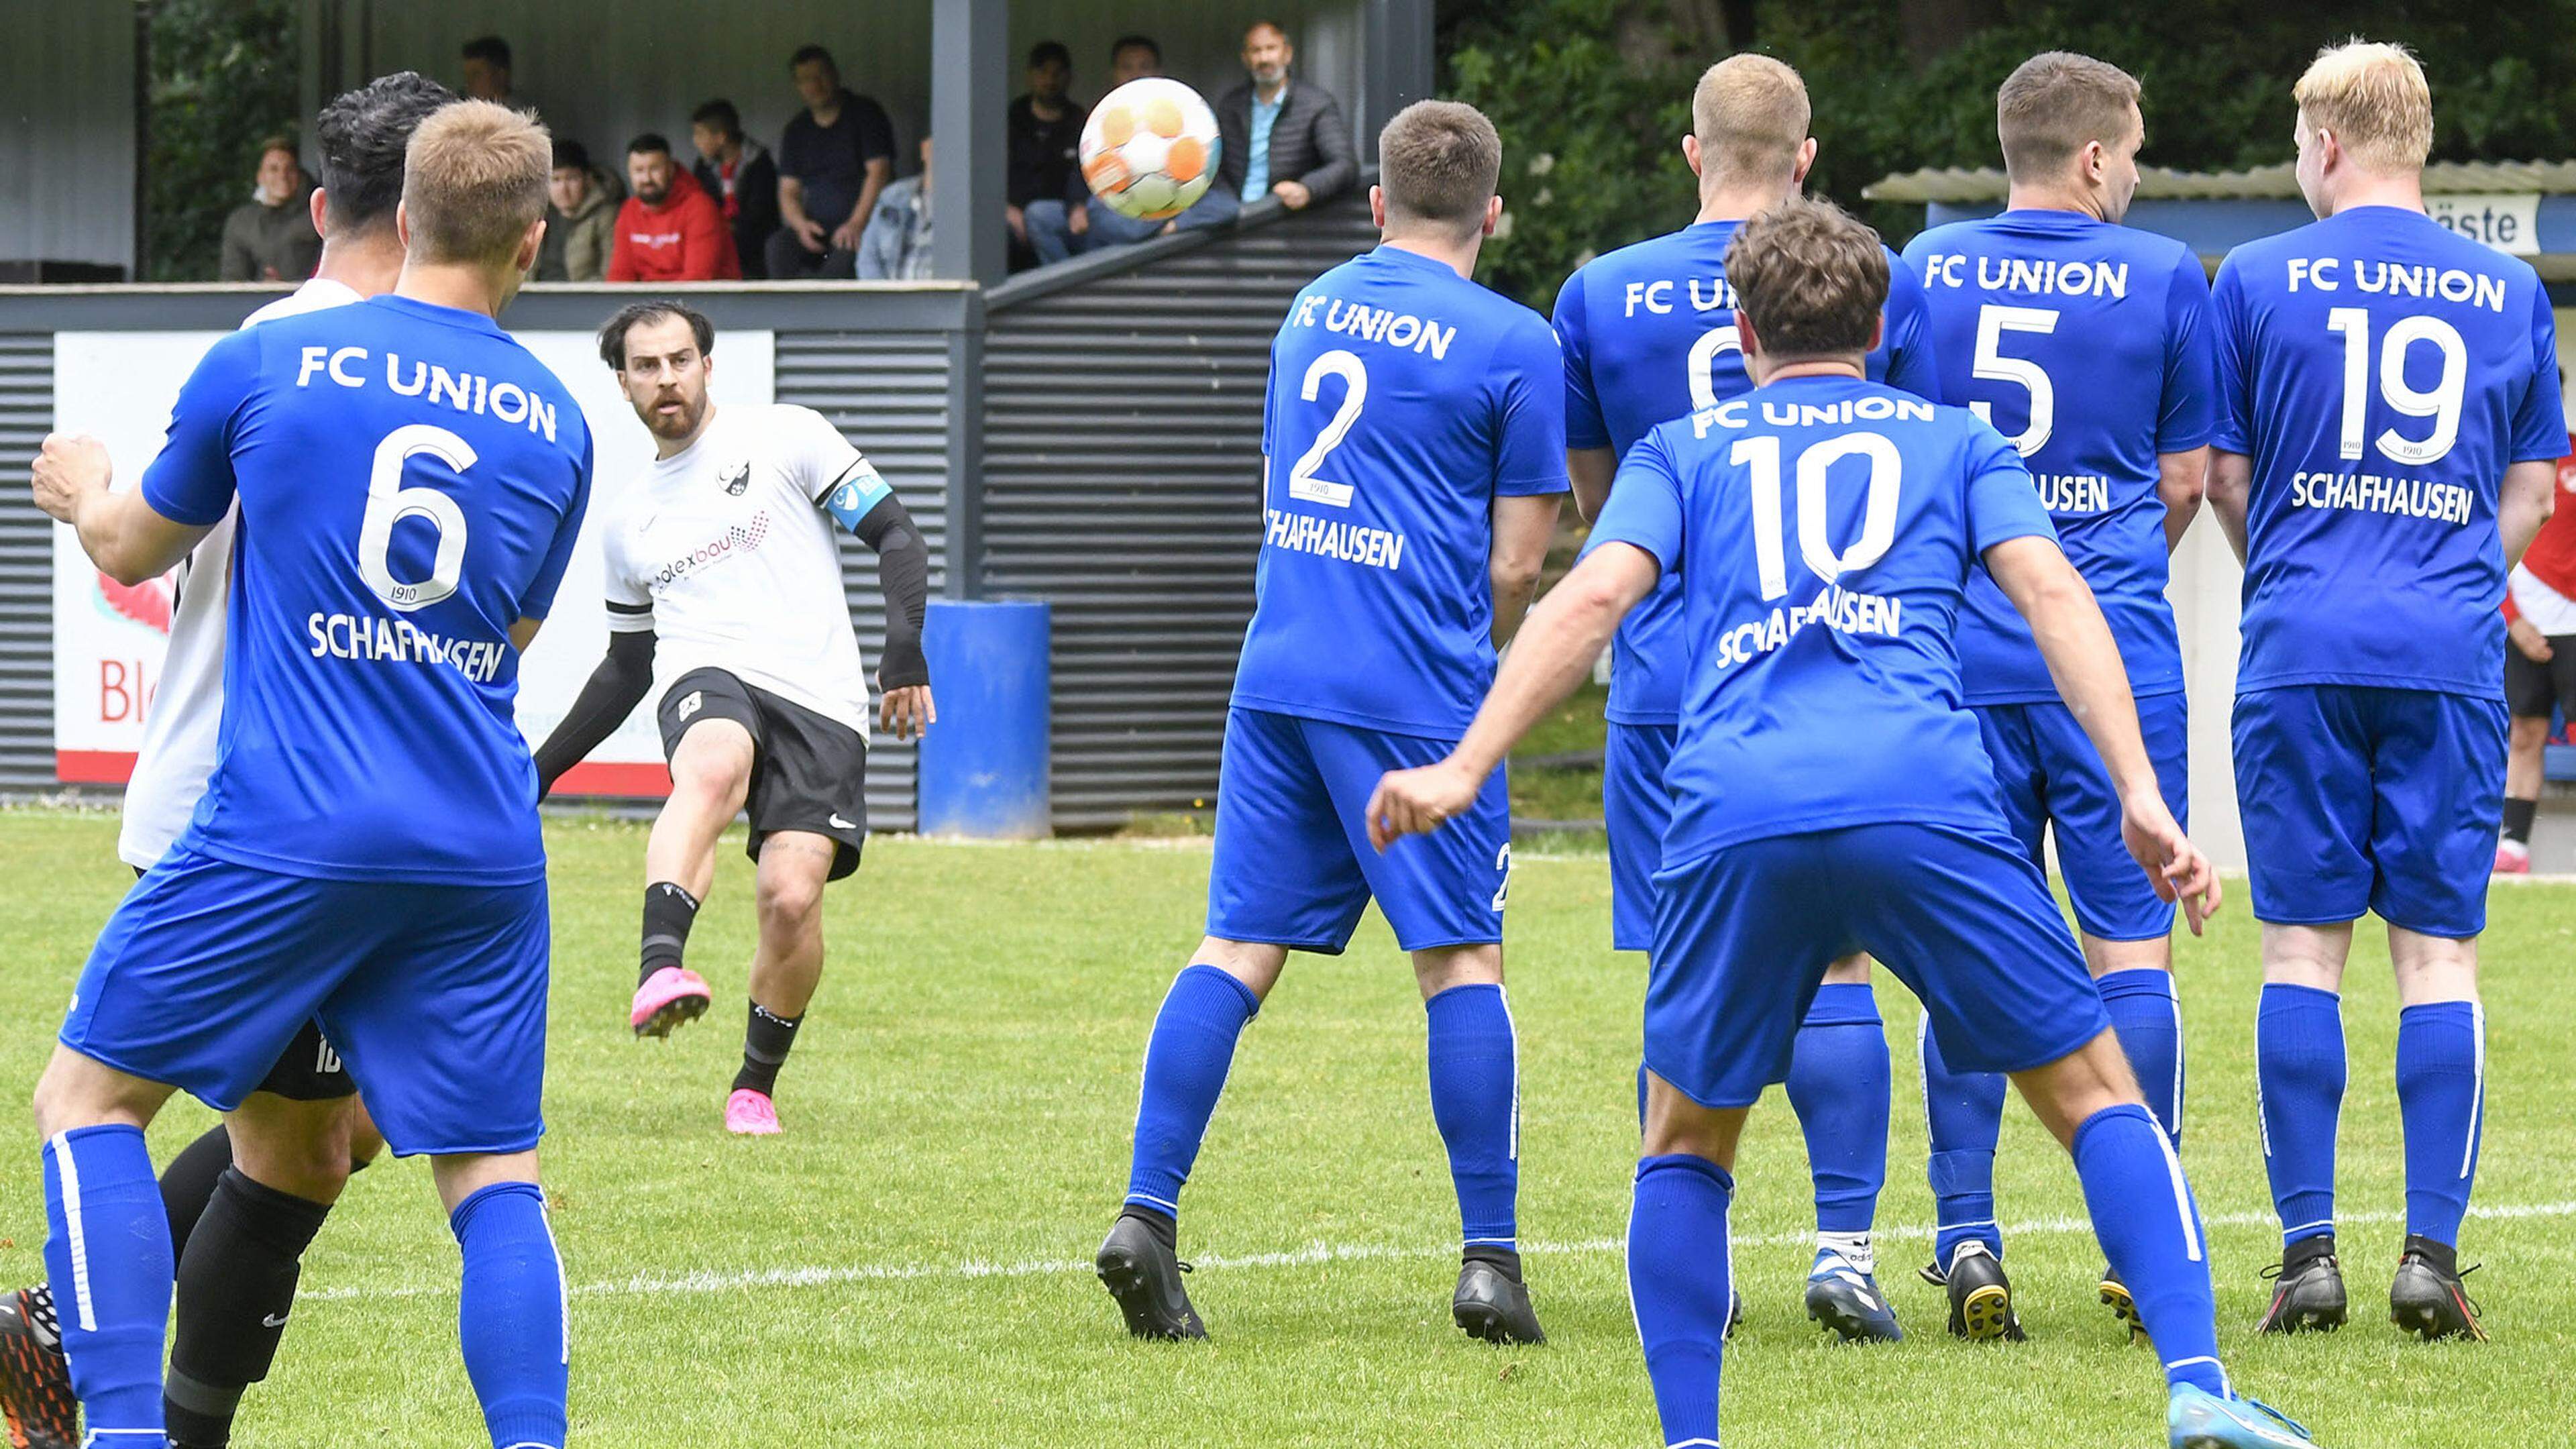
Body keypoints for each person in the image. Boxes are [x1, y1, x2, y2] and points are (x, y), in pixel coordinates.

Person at [1370, 193, 2320, 1449]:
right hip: (1923, 793)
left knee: (1686, 1139)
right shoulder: (1957, 441)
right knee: (2098, 1096)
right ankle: (2198, 1387)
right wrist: (2140, 790)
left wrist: (1463, 761)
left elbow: (1588, 595)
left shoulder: (1684, 452)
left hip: (1734, 808)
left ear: (1742, 326)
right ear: (1880, 326)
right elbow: (2057, 595)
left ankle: (1693, 1438)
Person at [23, 97, 588, 1449]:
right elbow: (506, 634)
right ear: (531, 240)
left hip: (288, 823)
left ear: (395, 219)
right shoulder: (560, 421)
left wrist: (83, 479)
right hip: (478, 841)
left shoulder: (274, 361)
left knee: (87, 1102)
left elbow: (134, 542)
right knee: (491, 1175)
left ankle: (118, 1431)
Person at [1092, 100, 1565, 1348]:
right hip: (1414, 688)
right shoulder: (1517, 340)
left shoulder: (1312, 311)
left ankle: (1147, 1215)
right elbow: (1518, 565)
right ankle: (1491, 1263)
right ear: (1494, 214)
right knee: (1460, 960)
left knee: (1237, 944)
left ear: (1374, 205)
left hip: (1282, 667)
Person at [1550, 53, 1938, 1344]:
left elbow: (1605, 506)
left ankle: (1689, 1264)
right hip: (1827, 661)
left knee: (1682, 967)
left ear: (1689, 149)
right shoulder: (1865, 275)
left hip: (1670, 673)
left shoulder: (1599, 292)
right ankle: (1844, 1249)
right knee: (1840, 956)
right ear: (1807, 158)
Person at [2205, 40, 2563, 1342]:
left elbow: (2230, 478)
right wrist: (2458, 578)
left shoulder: (2253, 278)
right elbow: (2531, 488)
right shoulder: (2507, 288)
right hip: (2447, 653)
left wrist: (2302, 573)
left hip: (2301, 644)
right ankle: (2429, 1258)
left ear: (2328, 142)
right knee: (2437, 955)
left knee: (2302, 946)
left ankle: (2308, 1260)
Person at [1897, 50, 2214, 1342]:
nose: (2133, 170)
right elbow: (2187, 478)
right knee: (2129, 946)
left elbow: (1905, 452)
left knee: (1971, 951)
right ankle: (2144, 1255)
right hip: (2113, 660)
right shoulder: (2165, 277)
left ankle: (1969, 1236)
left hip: (1961, 661)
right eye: (2130, 149)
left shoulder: (1925, 271)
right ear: (2092, 158)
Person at [531, 302, 935, 1136]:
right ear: (623, 383)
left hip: (822, 700)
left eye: (680, 360)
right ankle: (660, 967)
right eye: (647, 367)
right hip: (707, 674)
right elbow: (627, 669)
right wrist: (538, 771)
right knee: (714, 763)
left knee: (791, 899)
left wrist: (904, 649)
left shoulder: (789, 435)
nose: (666, 378)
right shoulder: (629, 522)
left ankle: (755, 1083)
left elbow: (895, 533)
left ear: (708, 364)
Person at [1022, 35, 1236, 265]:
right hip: (1108, 220)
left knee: (1219, 207)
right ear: (1114, 73)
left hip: (1163, 211)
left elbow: (1226, 205)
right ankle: (1065, 288)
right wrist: (1076, 206)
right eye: (1127, 67)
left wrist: (1174, 224)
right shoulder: (1102, 120)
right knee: (1043, 214)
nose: (1136, 74)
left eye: (1145, 67)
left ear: (1158, 72)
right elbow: (1081, 174)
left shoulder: (1184, 117)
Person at [2495, 419, 2576, 873]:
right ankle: (2514, 847)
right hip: (2524, 623)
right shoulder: (2503, 460)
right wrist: (2512, 618)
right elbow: (2486, 542)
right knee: (2524, 733)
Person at [769, 46, 896, 280]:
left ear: (835, 75)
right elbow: (788, 191)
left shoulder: (865, 114)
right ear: (798, 86)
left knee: (841, 266)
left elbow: (879, 172)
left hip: (862, 226)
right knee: (778, 246)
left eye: (821, 76)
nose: (816, 86)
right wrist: (801, 226)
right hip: (817, 231)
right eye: (807, 80)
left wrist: (857, 222)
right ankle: (786, 316)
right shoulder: (797, 129)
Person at [1214, 22, 1354, 217]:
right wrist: (1225, 206)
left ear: (1287, 54)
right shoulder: (1231, 106)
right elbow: (1215, 166)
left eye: (1271, 48)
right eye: (1256, 51)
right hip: (1230, 220)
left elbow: (1344, 165)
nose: (1264, 58)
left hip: (1283, 220)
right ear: (1245, 59)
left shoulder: (1317, 104)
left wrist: (1307, 189)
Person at [608, 134, 739, 283]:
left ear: (671, 169)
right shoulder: (629, 210)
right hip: (648, 304)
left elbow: (697, 279)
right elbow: (620, 276)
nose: (647, 179)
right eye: (639, 170)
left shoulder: (699, 207)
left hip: (701, 304)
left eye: (654, 169)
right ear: (629, 173)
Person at [1005, 41, 1085, 268]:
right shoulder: (1011, 120)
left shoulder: (1080, 122)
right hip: (1013, 220)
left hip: (1062, 218)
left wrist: (1077, 207)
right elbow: (983, 171)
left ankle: (1063, 285)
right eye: (1043, 72)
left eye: (1058, 73)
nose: (1050, 80)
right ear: (1029, 75)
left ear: (1069, 77)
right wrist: (1004, 209)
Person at [691, 99, 780, 280]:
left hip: (755, 250)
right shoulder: (703, 167)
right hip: (717, 242)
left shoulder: (760, 163)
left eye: (700, 134)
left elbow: (760, 215)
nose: (696, 141)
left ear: (721, 137)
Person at [218, 138, 322, 282]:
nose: (282, 176)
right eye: (274, 169)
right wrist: (262, 288)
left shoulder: (318, 215)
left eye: (290, 169)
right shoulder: (241, 222)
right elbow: (232, 280)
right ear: (260, 177)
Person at [538, 138, 616, 282]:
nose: (564, 189)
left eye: (572, 179)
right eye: (556, 180)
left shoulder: (605, 215)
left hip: (583, 299)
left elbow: (610, 275)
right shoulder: (536, 214)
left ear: (588, 180)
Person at [857, 137, 934, 280]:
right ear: (924, 149)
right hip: (889, 299)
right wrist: (882, 299)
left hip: (940, 300)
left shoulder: (966, 204)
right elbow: (868, 259)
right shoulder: (894, 196)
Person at [460, 34, 529, 112]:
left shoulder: (519, 117)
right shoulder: (464, 107)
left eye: (476, 75)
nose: (469, 83)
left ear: (500, 75)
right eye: (467, 76)